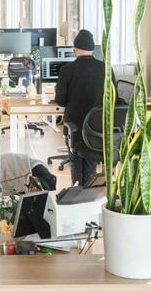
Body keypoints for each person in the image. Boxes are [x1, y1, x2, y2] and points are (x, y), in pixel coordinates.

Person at [55, 29, 114, 187]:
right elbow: (113, 98)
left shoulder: (67, 70)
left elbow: (60, 101)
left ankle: (77, 193)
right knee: (90, 165)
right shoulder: (105, 69)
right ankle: (90, 194)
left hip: (74, 128)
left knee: (76, 163)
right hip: (96, 130)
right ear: (93, 49)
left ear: (75, 49)